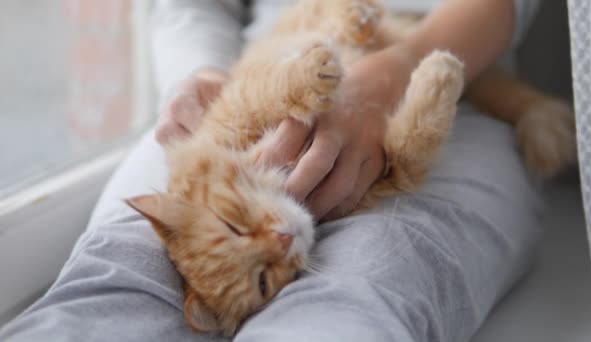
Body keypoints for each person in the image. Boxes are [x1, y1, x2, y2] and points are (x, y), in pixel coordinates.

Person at [0, 0, 542, 341]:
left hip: (455, 68)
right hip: (258, 62)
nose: (277, 243)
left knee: (360, 284)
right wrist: (201, 76)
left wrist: (397, 68)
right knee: (118, 276)